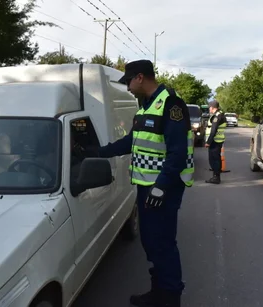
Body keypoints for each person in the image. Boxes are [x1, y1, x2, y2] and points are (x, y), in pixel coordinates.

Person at [87, 59, 194, 307]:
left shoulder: (170, 104)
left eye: (128, 82)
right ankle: (159, 291)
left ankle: (170, 297)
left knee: (163, 242)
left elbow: (177, 154)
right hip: (148, 186)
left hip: (164, 188)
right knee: (150, 241)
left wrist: (160, 187)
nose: (127, 88)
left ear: (140, 78)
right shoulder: (146, 106)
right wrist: (98, 152)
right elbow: (131, 142)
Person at [204, 100, 226, 184]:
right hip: (217, 140)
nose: (209, 108)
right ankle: (216, 176)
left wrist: (208, 142)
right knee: (216, 159)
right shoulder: (220, 114)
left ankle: (216, 178)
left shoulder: (217, 116)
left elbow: (213, 130)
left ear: (212, 107)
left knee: (214, 159)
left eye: (209, 107)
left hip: (215, 141)